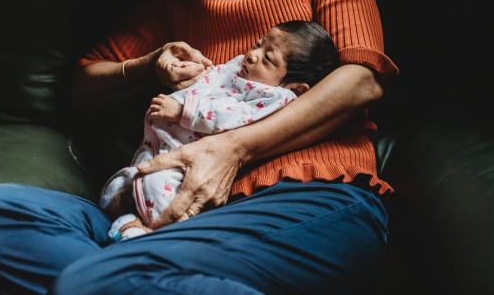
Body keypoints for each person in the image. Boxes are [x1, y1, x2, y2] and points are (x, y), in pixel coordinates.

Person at [0, 0, 400, 294]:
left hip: (306, 199)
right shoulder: (173, 1)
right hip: (165, 212)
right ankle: (134, 276)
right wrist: (148, 65)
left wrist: (230, 149)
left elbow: (362, 80)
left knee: (93, 278)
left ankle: (118, 275)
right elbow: (83, 83)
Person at [102, 21, 340, 241]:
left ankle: (150, 235)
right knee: (119, 187)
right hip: (158, 142)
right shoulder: (241, 68)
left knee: (158, 187)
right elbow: (213, 79)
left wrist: (184, 110)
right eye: (258, 44)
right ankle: (127, 220)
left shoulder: (275, 98)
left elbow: (230, 117)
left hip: (186, 161)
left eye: (268, 58)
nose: (253, 55)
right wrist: (194, 71)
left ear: (296, 87)